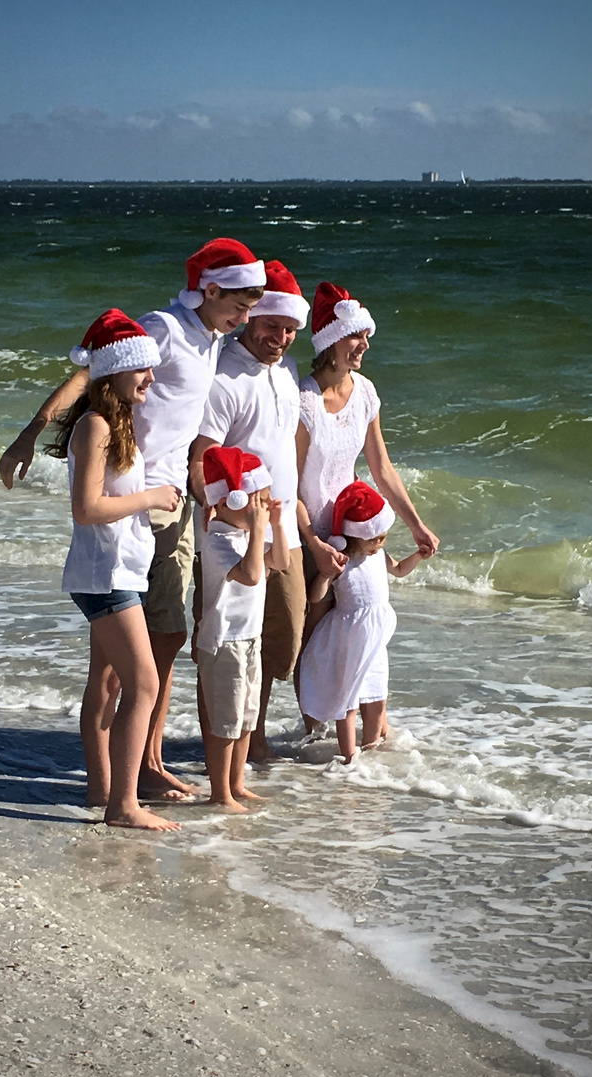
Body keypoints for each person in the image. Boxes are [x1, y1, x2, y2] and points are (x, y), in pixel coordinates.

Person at [0, 238, 266, 798]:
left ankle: (134, 767)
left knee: (153, 643)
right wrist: (30, 433)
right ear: (211, 290)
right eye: (242, 304)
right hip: (134, 507)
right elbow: (91, 369)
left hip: (163, 510)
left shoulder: (214, 339)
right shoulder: (163, 329)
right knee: (145, 650)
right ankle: (134, 771)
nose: (248, 316)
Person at [46, 310, 181, 830]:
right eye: (142, 370)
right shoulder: (97, 425)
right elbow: (87, 509)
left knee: (105, 682)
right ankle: (124, 806)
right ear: (114, 371)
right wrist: (151, 497)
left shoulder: (114, 421)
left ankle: (101, 789)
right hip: (106, 576)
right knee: (143, 684)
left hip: (115, 570)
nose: (151, 378)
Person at [296, 281, 439, 731]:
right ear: (330, 342)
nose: (364, 345)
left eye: (366, 337)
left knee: (363, 627)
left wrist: (416, 525)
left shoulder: (366, 392)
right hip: (310, 535)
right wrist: (314, 544)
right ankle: (314, 734)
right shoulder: (304, 401)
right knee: (313, 640)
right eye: (356, 337)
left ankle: (370, 727)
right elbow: (291, 485)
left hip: (357, 533)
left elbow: (381, 467)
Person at [189, 260, 310, 761]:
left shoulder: (287, 370)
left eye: (289, 330)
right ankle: (232, 749)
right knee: (225, 646)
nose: (279, 338)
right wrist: (226, 514)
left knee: (281, 642)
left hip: (283, 532)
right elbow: (200, 460)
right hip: (236, 537)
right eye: (272, 326)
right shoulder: (223, 379)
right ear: (251, 320)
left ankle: (246, 739)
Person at [298, 481, 430, 764]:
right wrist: (323, 574)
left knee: (377, 697)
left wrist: (418, 555)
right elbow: (316, 596)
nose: (379, 545)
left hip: (376, 637)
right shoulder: (343, 560)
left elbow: (399, 570)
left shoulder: (379, 555)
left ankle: (371, 750)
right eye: (374, 540)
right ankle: (350, 758)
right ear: (356, 536)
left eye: (382, 539)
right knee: (349, 701)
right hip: (351, 636)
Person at [197, 446, 289, 811]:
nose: (262, 508)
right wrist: (258, 531)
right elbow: (252, 575)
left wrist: (277, 526)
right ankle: (219, 792)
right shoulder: (218, 542)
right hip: (224, 643)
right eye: (256, 501)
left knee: (247, 716)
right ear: (230, 499)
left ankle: (237, 783)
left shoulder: (246, 537)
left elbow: (279, 561)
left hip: (249, 639)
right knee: (226, 721)